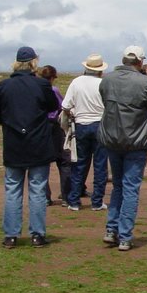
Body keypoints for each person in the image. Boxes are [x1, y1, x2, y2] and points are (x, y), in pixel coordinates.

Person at [98, 45, 147, 251]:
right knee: (130, 187)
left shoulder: (107, 79)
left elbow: (104, 99)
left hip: (112, 139)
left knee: (118, 186)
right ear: (140, 62)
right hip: (136, 141)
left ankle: (111, 230)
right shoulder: (144, 82)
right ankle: (125, 235)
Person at [0, 46, 58, 248]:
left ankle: (11, 235)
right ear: (34, 63)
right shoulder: (42, 86)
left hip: (14, 143)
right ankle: (37, 234)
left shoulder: (4, 86)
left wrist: (10, 122)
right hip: (38, 143)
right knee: (37, 190)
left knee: (13, 189)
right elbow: (53, 107)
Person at [62, 53, 109, 212]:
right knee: (100, 165)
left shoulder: (76, 82)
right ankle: (97, 201)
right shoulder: (104, 83)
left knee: (79, 164)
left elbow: (66, 106)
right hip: (100, 125)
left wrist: (73, 114)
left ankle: (74, 200)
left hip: (81, 125)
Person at [38, 65, 72, 207]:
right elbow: (62, 106)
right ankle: (66, 196)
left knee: (41, 162)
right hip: (54, 126)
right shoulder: (54, 90)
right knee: (64, 161)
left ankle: (45, 197)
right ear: (52, 78)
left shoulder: (36, 90)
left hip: (41, 127)